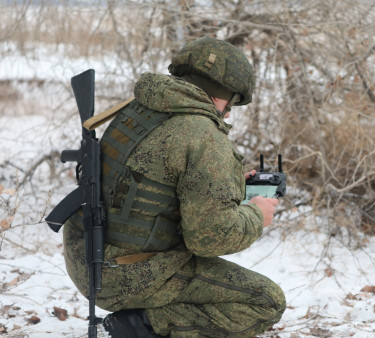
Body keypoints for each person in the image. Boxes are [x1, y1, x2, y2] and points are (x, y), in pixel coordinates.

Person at [62, 37, 286, 337]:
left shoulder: (139, 109)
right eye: (231, 101)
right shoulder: (203, 135)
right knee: (267, 302)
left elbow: (148, 186)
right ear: (219, 95)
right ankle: (138, 325)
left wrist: (226, 186)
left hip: (85, 257)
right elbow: (209, 239)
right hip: (124, 277)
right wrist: (257, 215)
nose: (230, 112)